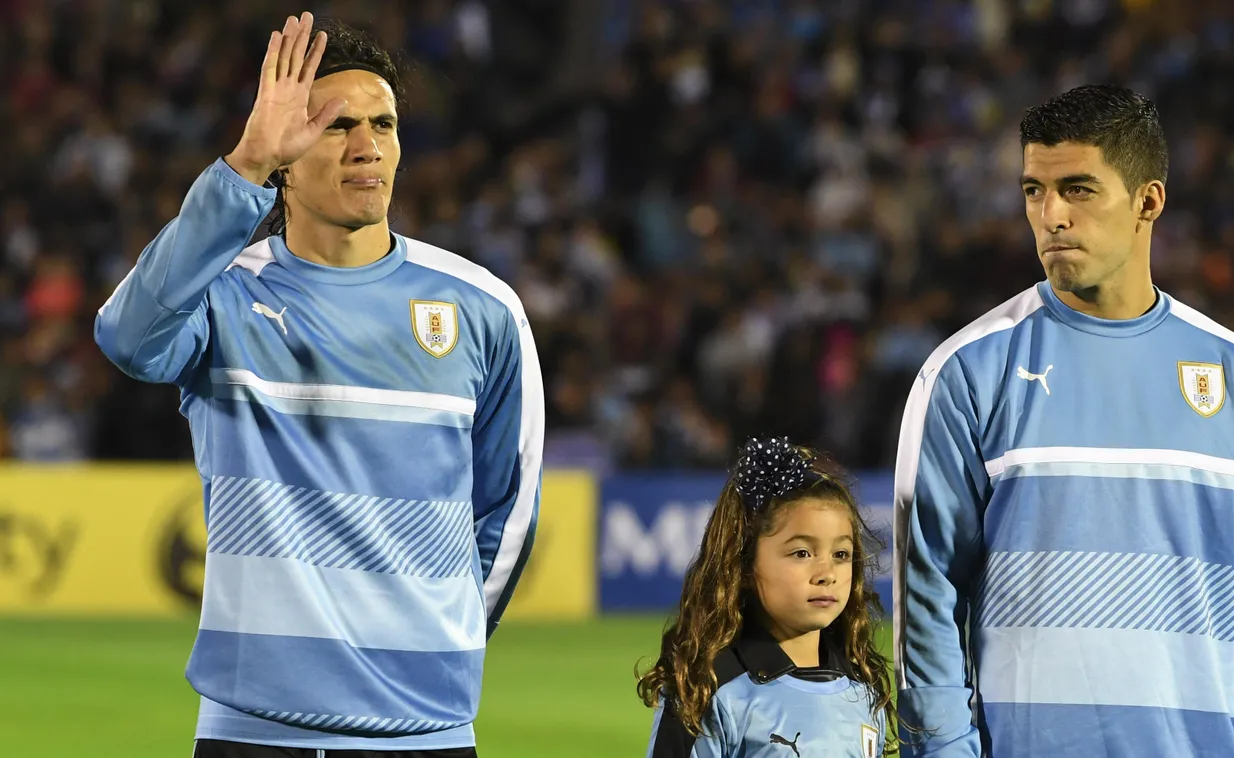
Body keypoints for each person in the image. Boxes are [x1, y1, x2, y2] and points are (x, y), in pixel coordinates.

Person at [94, 13, 543, 757]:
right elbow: (127, 338)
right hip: (251, 733)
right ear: (284, 156)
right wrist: (240, 168)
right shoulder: (221, 295)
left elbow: (508, 506)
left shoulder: (482, 307)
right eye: (336, 128)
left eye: (384, 124)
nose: (367, 147)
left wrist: (444, 643)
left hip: (424, 734)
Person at [892, 83, 1234, 757]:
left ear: (1147, 201)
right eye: (1033, 190)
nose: (1050, 215)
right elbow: (926, 600)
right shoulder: (965, 372)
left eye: (1078, 189)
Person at [638, 437, 898, 757]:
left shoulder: (863, 689)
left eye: (841, 553)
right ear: (745, 565)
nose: (826, 572)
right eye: (802, 553)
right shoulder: (710, 687)